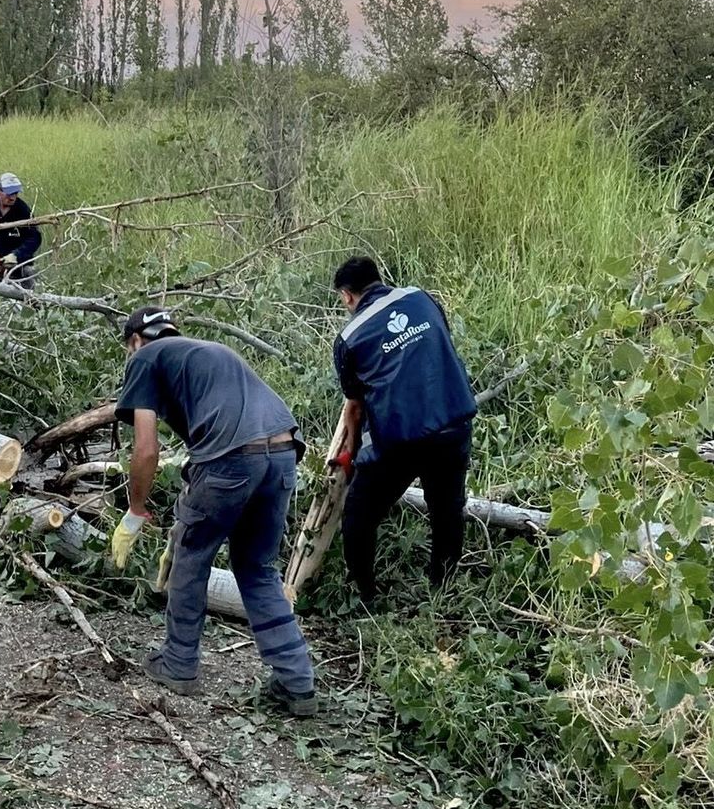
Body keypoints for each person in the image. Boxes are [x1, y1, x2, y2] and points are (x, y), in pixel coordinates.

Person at [110, 307, 317, 716]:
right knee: (257, 568)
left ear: (134, 340)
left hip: (234, 458)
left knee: (192, 559)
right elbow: (206, 448)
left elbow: (147, 450)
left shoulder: (144, 358)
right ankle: (297, 683)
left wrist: (135, 511)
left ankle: (178, 663)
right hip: (283, 453)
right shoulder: (206, 353)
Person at [332, 256, 476, 605]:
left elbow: (355, 407)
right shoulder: (422, 298)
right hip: (454, 421)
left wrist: (351, 455)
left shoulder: (349, 337)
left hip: (401, 439)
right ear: (378, 280)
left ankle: (365, 593)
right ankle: (443, 588)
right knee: (446, 509)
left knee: (360, 514)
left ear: (347, 296)